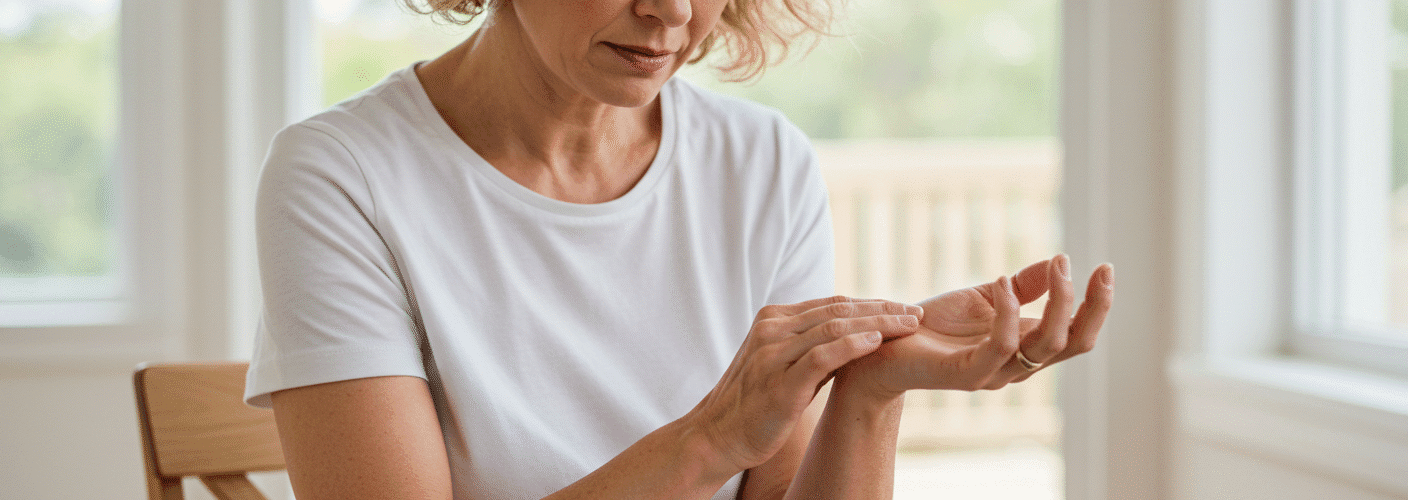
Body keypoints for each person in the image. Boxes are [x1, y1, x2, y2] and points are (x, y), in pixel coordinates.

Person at [243, 0, 1116, 498]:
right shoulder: (343, 175)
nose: (675, 11)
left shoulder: (763, 163)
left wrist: (870, 388)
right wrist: (709, 438)